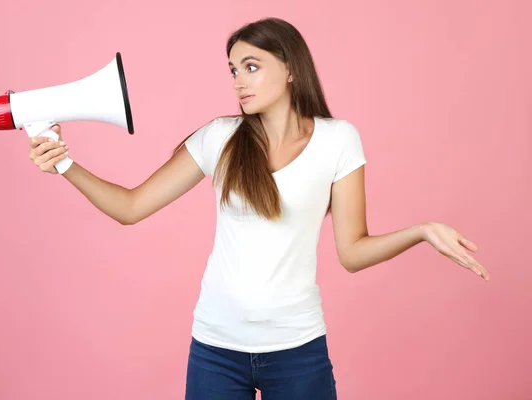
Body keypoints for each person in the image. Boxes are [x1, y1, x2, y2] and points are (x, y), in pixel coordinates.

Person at [27, 17, 490, 400]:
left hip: (298, 351)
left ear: (291, 69)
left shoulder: (338, 140)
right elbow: (130, 206)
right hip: (215, 351)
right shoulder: (219, 137)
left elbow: (352, 252)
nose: (238, 81)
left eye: (251, 66)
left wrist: (422, 231)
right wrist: (65, 163)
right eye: (232, 70)